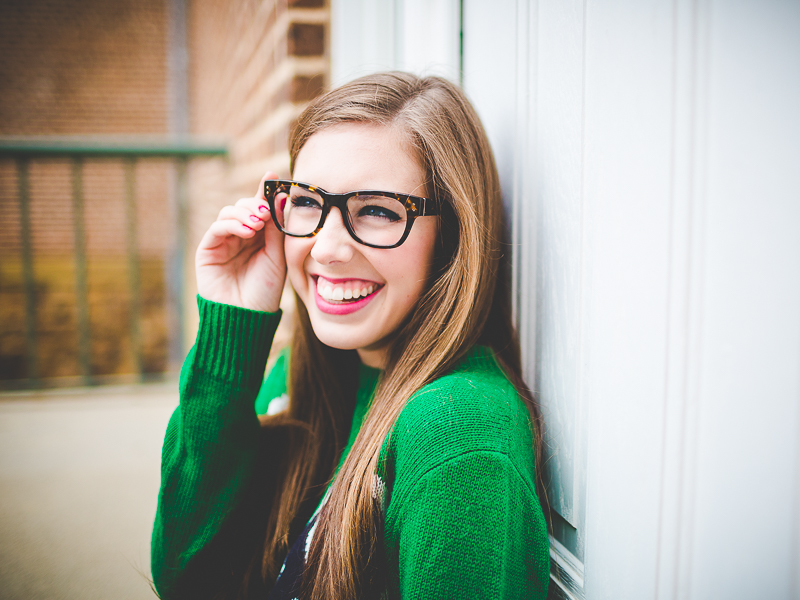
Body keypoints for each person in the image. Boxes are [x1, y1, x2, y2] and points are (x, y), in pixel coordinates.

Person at [151, 72, 549, 600]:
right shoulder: (310, 377)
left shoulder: (457, 431)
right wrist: (234, 328)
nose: (327, 247)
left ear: (452, 236)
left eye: (379, 210)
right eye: (309, 203)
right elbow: (188, 576)